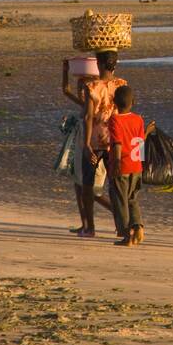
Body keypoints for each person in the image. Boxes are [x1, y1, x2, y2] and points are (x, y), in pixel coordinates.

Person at [60, 57, 113, 234]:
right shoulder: (82, 104)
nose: (81, 92)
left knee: (94, 191)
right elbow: (65, 90)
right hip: (81, 147)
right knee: (78, 185)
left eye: (84, 89)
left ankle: (117, 212)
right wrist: (65, 70)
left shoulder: (95, 105)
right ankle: (85, 224)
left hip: (94, 146)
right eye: (79, 88)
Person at [80, 50, 127, 238]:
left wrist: (86, 144)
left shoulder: (91, 86)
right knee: (116, 184)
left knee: (87, 185)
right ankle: (121, 226)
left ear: (98, 64)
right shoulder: (122, 84)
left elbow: (88, 117)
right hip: (116, 141)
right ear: (115, 65)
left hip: (96, 141)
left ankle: (90, 228)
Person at [107, 85, 155, 247]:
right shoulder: (138, 119)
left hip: (122, 165)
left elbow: (118, 143)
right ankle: (138, 226)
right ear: (133, 102)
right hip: (136, 166)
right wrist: (140, 163)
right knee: (133, 198)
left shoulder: (114, 120)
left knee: (120, 201)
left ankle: (127, 235)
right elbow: (140, 141)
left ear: (114, 103)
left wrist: (117, 163)